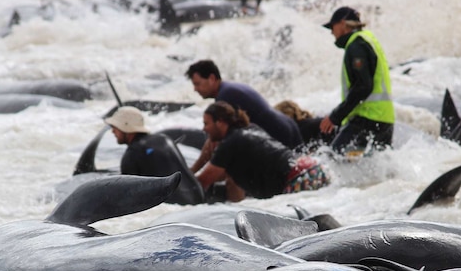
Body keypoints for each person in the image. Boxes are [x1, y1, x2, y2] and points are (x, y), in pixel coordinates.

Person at [195, 101, 330, 202]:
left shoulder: (229, 144)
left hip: (298, 179)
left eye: (206, 124)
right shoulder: (251, 128)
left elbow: (201, 183)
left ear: (220, 122)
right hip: (313, 169)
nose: (203, 129)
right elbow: (232, 182)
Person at [319, 6, 395, 156]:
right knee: (376, 171)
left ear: (342, 24)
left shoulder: (356, 46)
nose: (331, 32)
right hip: (385, 120)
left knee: (330, 160)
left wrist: (335, 117)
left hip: (366, 120)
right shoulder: (369, 39)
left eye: (332, 27)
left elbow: (363, 87)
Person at [185, 59, 303, 152]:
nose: (195, 89)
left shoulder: (225, 96)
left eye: (197, 84)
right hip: (290, 127)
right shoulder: (229, 88)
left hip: (280, 135)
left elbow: (219, 140)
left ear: (211, 78)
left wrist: (194, 173)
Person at [104, 106, 204, 205]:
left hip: (173, 209)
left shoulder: (133, 153)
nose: (113, 131)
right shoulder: (164, 139)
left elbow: (129, 195)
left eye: (115, 127)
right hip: (198, 199)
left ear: (125, 126)